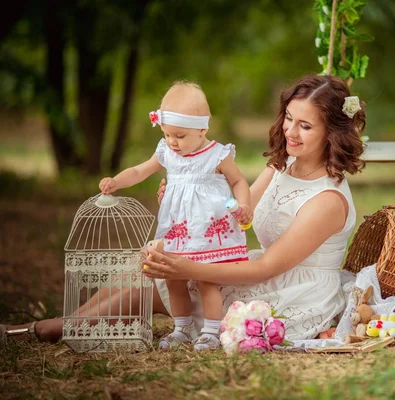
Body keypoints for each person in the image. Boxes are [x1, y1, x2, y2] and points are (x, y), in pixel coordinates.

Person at [0, 73, 366, 347]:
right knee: (142, 264)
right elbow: (240, 210)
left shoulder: (327, 201)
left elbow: (269, 267)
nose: (290, 131)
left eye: (304, 125)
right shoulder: (283, 162)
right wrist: (194, 200)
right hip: (257, 267)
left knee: (155, 280)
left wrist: (187, 266)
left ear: (333, 133)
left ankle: (48, 329)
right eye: (288, 118)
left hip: (290, 290)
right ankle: (68, 322)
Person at [98, 81, 252, 350]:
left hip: (208, 229)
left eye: (180, 136)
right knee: (173, 278)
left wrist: (243, 204)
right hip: (177, 227)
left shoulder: (216, 154)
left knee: (206, 279)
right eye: (168, 134)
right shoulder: (166, 151)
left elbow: (239, 181)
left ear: (202, 129)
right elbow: (140, 170)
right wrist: (117, 181)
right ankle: (181, 327)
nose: (172, 141)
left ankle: (212, 331)